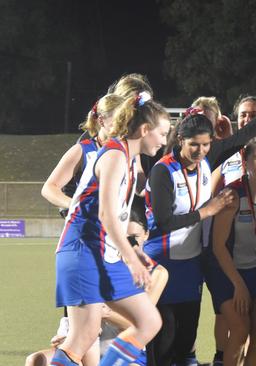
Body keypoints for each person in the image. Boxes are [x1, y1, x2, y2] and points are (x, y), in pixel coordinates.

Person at [51, 91, 170, 366]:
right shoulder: (115, 155)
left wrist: (130, 252)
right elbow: (106, 215)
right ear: (144, 129)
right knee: (83, 337)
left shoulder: (126, 156)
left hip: (99, 252)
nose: (164, 141)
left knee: (148, 321)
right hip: (82, 252)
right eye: (162, 134)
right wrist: (130, 256)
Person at [143, 112, 237, 366]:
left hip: (190, 265)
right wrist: (207, 211)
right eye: (194, 144)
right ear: (181, 140)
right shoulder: (163, 170)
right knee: (163, 342)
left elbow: (243, 137)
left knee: (186, 340)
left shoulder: (207, 161)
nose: (201, 150)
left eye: (206, 144)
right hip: (162, 263)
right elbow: (163, 223)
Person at [209, 139, 256, 366]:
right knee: (240, 329)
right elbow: (218, 247)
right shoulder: (232, 195)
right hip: (225, 269)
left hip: (255, 268)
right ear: (246, 162)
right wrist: (238, 285)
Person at [42, 94, 124, 217]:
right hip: (89, 229)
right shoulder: (83, 150)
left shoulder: (128, 150)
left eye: (125, 120)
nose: (123, 126)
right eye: (117, 120)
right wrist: (75, 205)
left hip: (117, 226)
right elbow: (49, 188)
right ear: (101, 120)